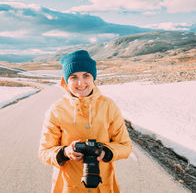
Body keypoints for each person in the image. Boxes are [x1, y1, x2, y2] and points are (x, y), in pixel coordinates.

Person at [39, 50, 132, 193]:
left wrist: (106, 152)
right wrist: (65, 152)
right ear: (66, 81)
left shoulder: (108, 106)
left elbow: (125, 146)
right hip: (68, 187)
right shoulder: (56, 110)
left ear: (93, 78)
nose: (80, 83)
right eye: (73, 77)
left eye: (86, 75)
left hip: (103, 186)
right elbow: (44, 152)